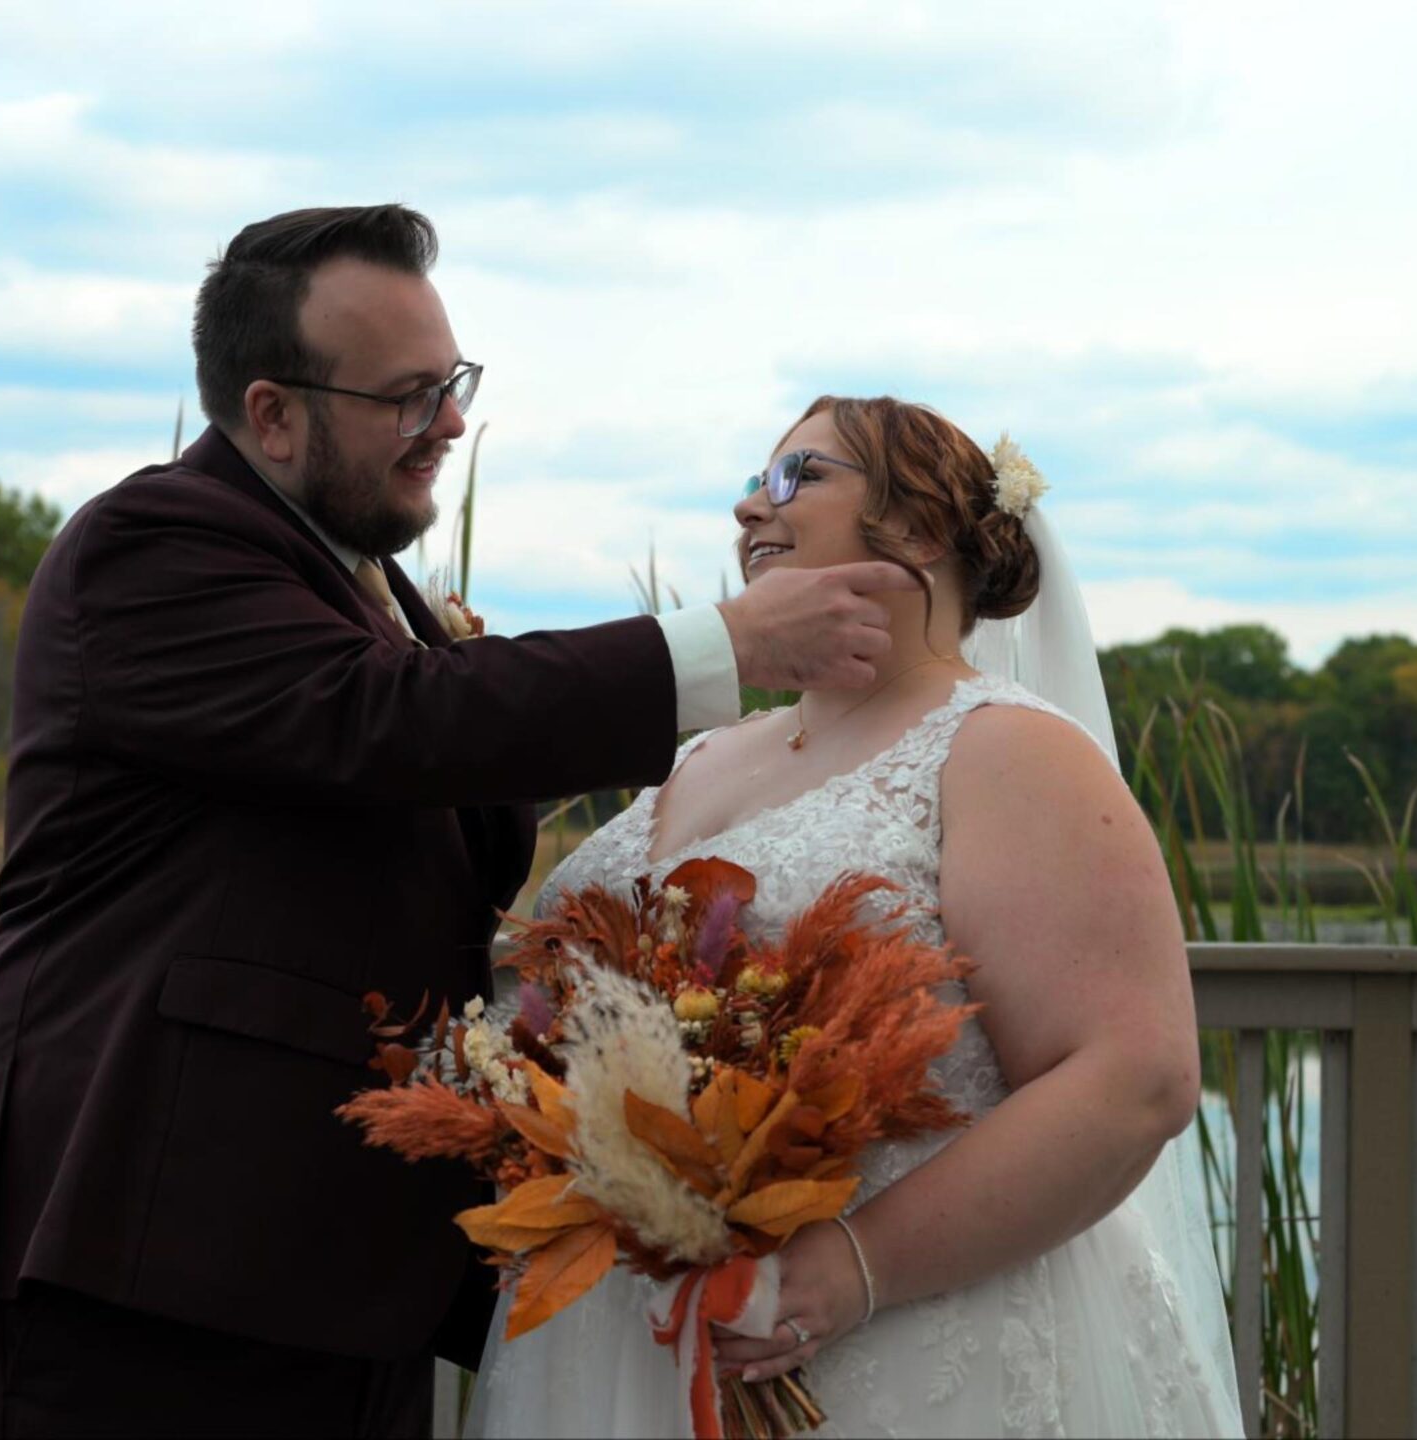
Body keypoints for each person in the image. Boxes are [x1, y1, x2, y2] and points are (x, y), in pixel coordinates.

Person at [0, 205, 919, 1438]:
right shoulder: (149, 551)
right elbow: (389, 721)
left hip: (334, 1270)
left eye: (451, 384)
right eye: (408, 396)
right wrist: (727, 644)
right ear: (272, 414)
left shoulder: (358, 576)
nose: (450, 422)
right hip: (160, 1256)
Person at [466, 397, 1243, 1438]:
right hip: (618, 1335)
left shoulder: (1009, 751)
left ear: (921, 528)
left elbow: (1132, 1076)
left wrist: (846, 1270)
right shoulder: (701, 754)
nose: (749, 508)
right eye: (752, 480)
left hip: (895, 1345)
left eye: (797, 477)